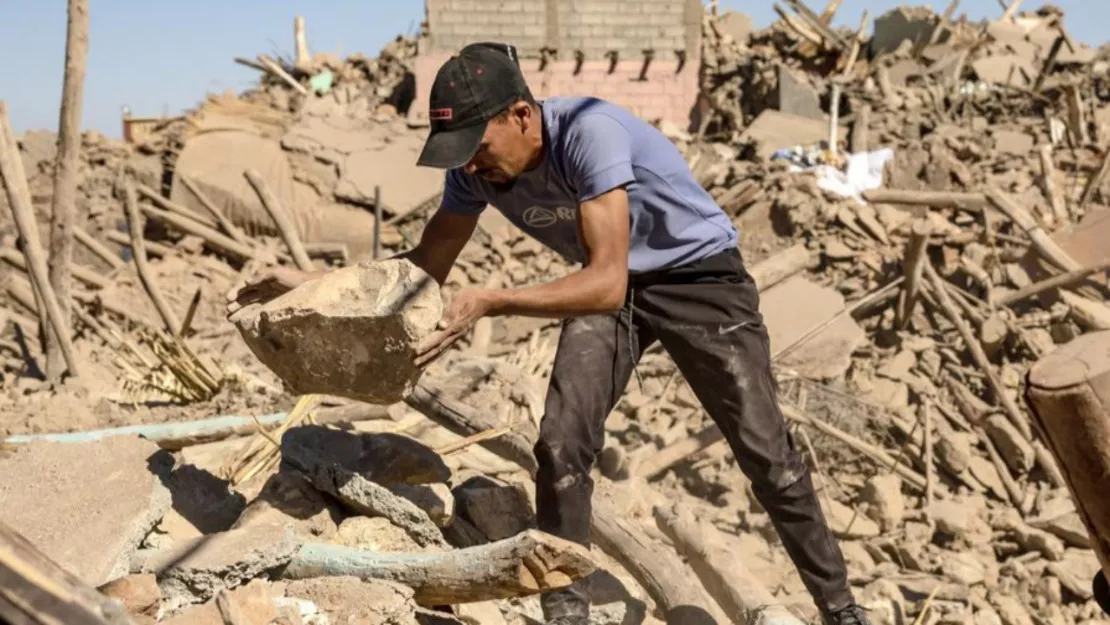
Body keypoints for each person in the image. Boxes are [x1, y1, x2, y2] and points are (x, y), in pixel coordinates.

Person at [227, 41, 871, 625]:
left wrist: (496, 301)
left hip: (696, 281)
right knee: (561, 446)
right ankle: (567, 609)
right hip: (607, 286)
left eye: (480, 147)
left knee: (765, 453)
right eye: (461, 156)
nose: (472, 167)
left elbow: (608, 281)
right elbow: (423, 268)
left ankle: (841, 610)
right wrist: (306, 282)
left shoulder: (590, 133)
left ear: (522, 116)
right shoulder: (472, 171)